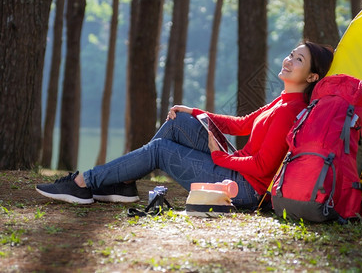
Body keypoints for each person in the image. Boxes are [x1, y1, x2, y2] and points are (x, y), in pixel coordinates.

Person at [36, 41, 334, 209]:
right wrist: (195, 111)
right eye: (291, 54)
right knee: (180, 122)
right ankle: (123, 184)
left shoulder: (290, 110)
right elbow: (242, 125)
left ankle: (84, 183)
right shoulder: (282, 100)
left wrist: (218, 156)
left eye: (299, 60)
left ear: (311, 77)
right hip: (236, 171)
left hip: (244, 189)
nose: (289, 60)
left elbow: (261, 167)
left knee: (160, 150)